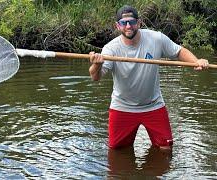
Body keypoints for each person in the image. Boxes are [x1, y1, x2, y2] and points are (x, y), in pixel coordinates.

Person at [89, 5, 209, 150]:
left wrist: (195, 62)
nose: (128, 26)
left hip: (153, 105)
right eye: (123, 23)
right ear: (117, 26)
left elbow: (179, 51)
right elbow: (95, 77)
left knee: (166, 149)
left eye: (132, 22)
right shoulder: (110, 49)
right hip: (122, 107)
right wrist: (97, 65)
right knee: (117, 153)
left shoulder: (156, 38)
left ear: (139, 23)